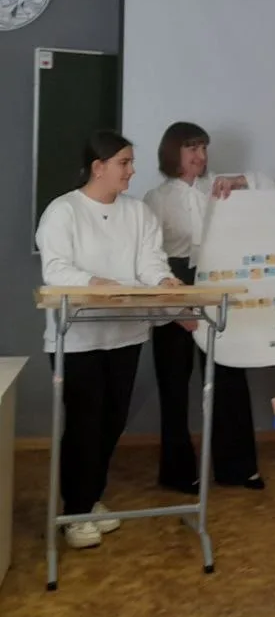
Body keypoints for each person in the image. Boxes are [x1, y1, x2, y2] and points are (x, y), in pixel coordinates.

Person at [36, 131, 185, 549]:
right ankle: (75, 512)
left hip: (125, 333)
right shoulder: (63, 211)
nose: (132, 171)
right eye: (124, 162)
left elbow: (150, 261)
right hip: (77, 338)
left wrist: (163, 280)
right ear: (98, 167)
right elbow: (56, 269)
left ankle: (90, 498)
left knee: (112, 421)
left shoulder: (138, 213)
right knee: (85, 424)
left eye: (132, 162)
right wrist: (93, 282)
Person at [143, 122, 270, 493]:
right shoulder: (155, 197)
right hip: (173, 282)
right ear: (174, 152)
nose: (200, 156)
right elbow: (149, 256)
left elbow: (271, 184)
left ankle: (237, 467)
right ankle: (178, 472)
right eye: (191, 148)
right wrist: (174, 308)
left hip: (216, 280)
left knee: (228, 375)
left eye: (203, 147)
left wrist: (238, 182)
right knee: (174, 383)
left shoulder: (219, 185)